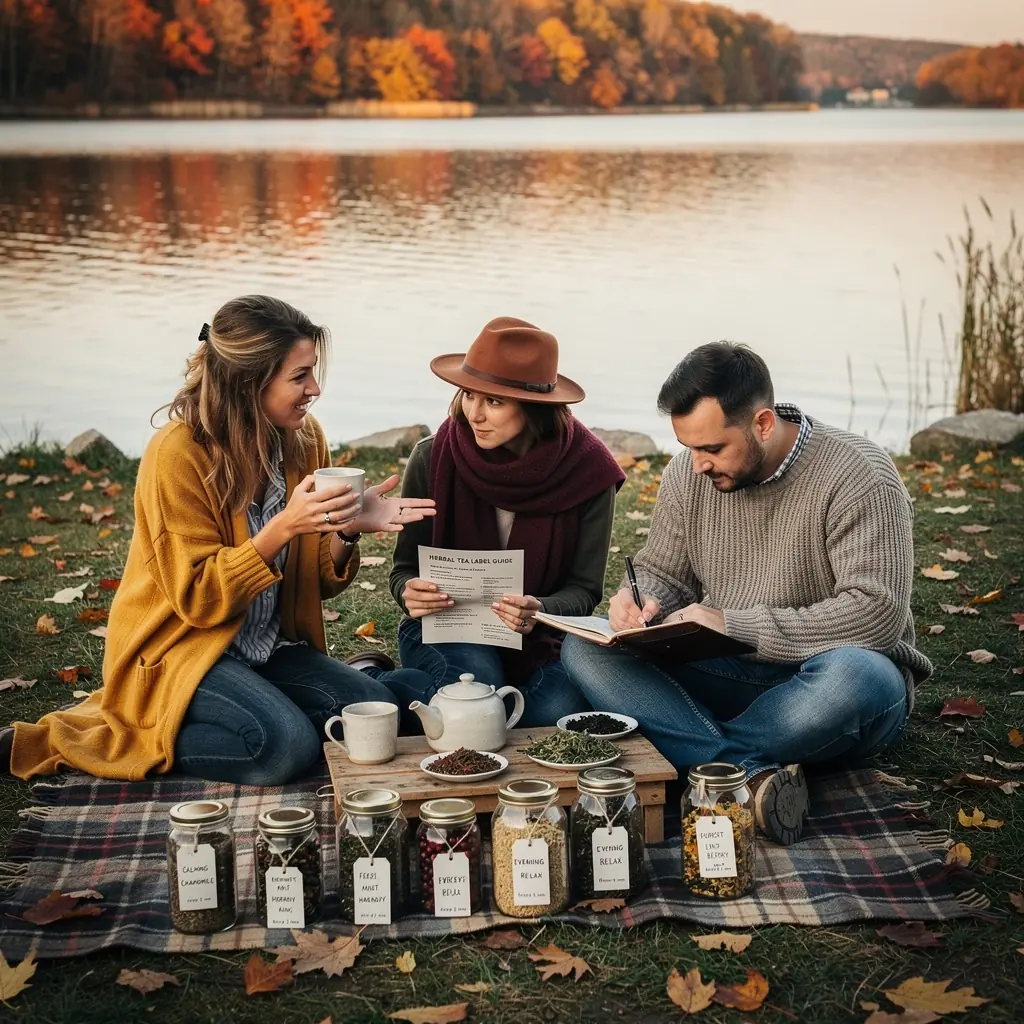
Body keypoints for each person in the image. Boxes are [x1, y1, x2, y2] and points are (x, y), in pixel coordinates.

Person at [2, 295, 436, 786]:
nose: (314, 389)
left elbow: (315, 582)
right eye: (299, 376)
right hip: (182, 650)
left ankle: (252, 708)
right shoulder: (177, 455)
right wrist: (284, 527)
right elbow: (198, 600)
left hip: (267, 646)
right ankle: (132, 730)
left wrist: (347, 530)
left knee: (377, 716)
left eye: (312, 372)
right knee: (284, 747)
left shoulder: (304, 438)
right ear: (248, 381)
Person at [561, 342, 932, 845]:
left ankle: (693, 752)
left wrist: (736, 625)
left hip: (828, 680)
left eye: (712, 449)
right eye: (689, 447)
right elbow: (663, 574)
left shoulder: (858, 475)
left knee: (858, 676)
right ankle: (746, 776)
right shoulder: (687, 475)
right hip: (732, 672)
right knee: (584, 646)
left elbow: (877, 615)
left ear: (762, 423)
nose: (697, 466)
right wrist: (639, 595)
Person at [354, 317, 625, 727]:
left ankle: (385, 691)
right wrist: (408, 592)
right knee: (479, 702)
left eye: (494, 402)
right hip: (448, 625)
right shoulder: (433, 457)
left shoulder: (589, 473)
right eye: (467, 394)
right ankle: (369, 680)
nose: (474, 414)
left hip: (538, 638)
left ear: (535, 407)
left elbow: (584, 591)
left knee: (558, 712)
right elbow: (405, 570)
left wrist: (540, 610)